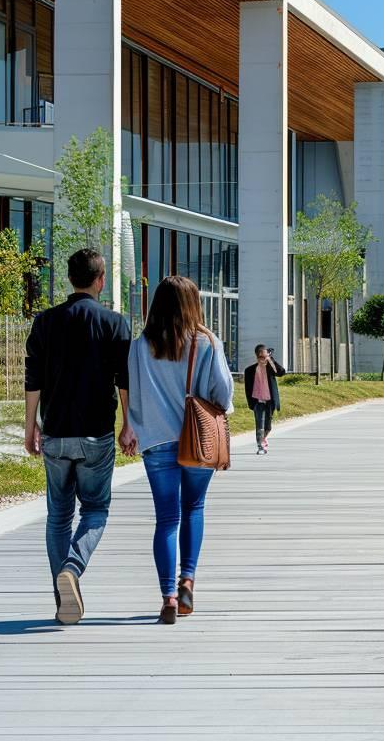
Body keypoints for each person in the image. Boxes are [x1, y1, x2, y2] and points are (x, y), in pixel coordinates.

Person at [24, 249, 133, 626]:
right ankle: (73, 567)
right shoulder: (115, 323)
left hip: (55, 431)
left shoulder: (45, 321)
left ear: (69, 279)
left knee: (58, 517)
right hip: (96, 434)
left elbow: (33, 377)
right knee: (96, 511)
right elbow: (124, 380)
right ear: (100, 280)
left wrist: (30, 426)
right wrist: (128, 424)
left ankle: (62, 599)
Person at [126, 276, 234, 625]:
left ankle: (168, 597)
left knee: (166, 519)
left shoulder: (141, 345)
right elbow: (224, 393)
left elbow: (135, 396)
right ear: (193, 303)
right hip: (198, 440)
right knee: (194, 508)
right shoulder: (207, 342)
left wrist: (134, 429)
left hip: (156, 441)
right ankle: (187, 580)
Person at [243, 343, 286, 454]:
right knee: (259, 425)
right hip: (258, 401)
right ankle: (261, 446)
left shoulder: (270, 368)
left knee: (268, 427)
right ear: (257, 356)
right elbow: (247, 388)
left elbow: (281, 372)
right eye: (261, 357)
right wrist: (251, 403)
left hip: (270, 401)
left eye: (265, 356)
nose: (263, 359)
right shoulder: (249, 371)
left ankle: (263, 439)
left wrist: (270, 360)